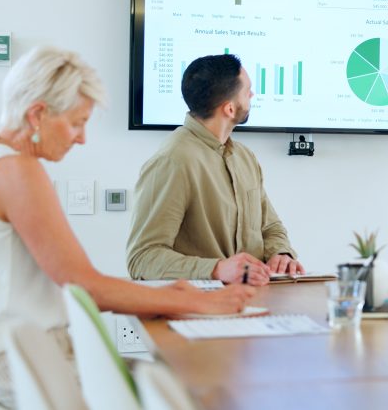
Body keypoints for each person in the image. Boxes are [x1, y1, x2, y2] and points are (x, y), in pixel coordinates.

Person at [0, 47, 258, 408]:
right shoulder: (16, 172)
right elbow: (83, 285)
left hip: (24, 346)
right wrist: (196, 302)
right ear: (38, 114)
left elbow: (78, 281)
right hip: (11, 359)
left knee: (154, 370)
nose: (81, 138)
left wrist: (172, 295)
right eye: (77, 123)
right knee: (177, 388)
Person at [127, 54, 305, 284]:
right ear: (229, 109)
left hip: (256, 300)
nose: (252, 95)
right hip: (202, 309)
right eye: (247, 91)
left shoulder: (245, 157)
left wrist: (280, 253)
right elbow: (142, 258)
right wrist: (217, 269)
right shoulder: (173, 162)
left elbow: (270, 226)